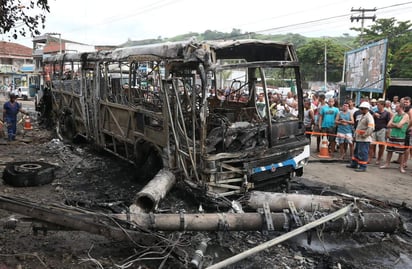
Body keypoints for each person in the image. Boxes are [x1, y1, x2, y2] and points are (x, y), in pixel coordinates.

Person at [380, 102, 410, 173]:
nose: (395, 108)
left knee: (401, 152)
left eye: (397, 107)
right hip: (392, 135)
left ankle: (401, 167)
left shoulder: (405, 115)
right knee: (389, 150)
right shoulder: (395, 115)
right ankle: (387, 164)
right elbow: (388, 125)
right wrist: (396, 125)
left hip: (401, 136)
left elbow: (399, 126)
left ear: (401, 107)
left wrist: (394, 124)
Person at [346, 101, 375, 172]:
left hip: (364, 139)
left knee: (363, 152)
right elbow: (359, 127)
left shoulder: (369, 117)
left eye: (362, 109)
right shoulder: (363, 116)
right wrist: (355, 136)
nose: (361, 110)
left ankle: (363, 166)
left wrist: (365, 135)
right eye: (361, 108)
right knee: (356, 152)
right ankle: (354, 163)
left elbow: (371, 128)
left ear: (366, 109)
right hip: (359, 138)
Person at [369, 99, 391, 165]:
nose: (377, 106)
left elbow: (388, 123)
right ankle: (369, 158)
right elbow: (371, 120)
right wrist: (373, 115)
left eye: (378, 105)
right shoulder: (375, 112)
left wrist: (388, 132)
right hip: (374, 130)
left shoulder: (387, 113)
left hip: (382, 130)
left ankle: (378, 159)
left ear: (382, 105)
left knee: (381, 146)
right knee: (371, 145)